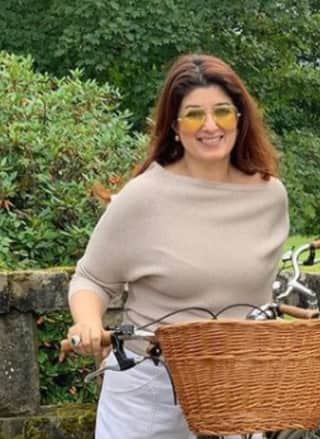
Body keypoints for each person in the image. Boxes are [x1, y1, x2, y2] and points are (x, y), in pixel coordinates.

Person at [67, 54, 289, 439]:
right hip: (149, 390)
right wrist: (88, 322)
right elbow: (91, 279)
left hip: (232, 392)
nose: (210, 126)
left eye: (222, 112)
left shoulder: (270, 197)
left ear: (240, 118)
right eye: (193, 115)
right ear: (174, 126)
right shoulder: (143, 197)